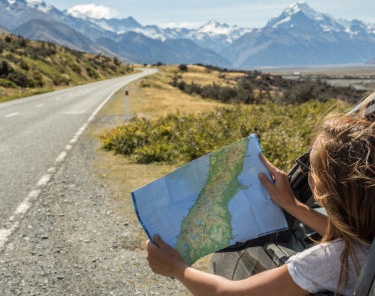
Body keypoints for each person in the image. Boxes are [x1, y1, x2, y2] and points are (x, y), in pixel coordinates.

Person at [145, 96, 375, 296]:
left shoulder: (331, 261)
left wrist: (176, 267)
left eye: (309, 167)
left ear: (323, 188)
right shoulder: (366, 241)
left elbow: (225, 293)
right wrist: (291, 204)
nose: (307, 174)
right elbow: (353, 238)